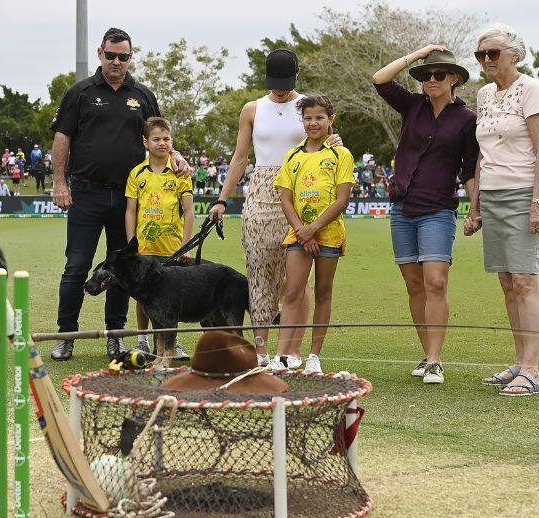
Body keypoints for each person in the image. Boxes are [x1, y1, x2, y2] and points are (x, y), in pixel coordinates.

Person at [49, 27, 191, 361]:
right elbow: (62, 137)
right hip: (86, 193)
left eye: (123, 56)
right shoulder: (80, 91)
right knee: (77, 266)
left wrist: (177, 154)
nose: (116, 61)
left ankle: (116, 336)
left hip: (129, 200)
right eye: (110, 55)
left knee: (123, 269)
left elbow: (159, 135)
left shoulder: (141, 94)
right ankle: (65, 335)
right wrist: (59, 181)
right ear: (100, 53)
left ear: (131, 57)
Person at [207, 49, 342, 366]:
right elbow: (241, 158)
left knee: (297, 278)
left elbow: (329, 143)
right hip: (262, 192)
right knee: (259, 275)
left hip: (303, 192)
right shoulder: (252, 109)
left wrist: (336, 142)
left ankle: (291, 351)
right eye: (275, 83)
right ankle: (261, 350)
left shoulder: (309, 107)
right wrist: (222, 198)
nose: (280, 90)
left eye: (285, 83)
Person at [373, 45, 479, 384]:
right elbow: (379, 79)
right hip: (403, 207)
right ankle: (426, 353)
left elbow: (469, 170)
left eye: (439, 74)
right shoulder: (412, 106)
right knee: (413, 284)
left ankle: (435, 360)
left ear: (454, 80)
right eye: (426, 75)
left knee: (436, 280)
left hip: (438, 208)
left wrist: (475, 209)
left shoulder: (467, 120)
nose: (431, 80)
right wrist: (423, 53)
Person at [464, 23, 539, 397]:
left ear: (514, 55)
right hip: (494, 195)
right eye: (480, 54)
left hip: (523, 194)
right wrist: (476, 205)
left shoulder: (531, 88)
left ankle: (532, 370)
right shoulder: (484, 94)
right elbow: (485, 153)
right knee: (506, 282)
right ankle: (519, 362)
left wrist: (537, 201)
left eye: (493, 53)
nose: (486, 60)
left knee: (525, 280)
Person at [270, 95, 355, 373]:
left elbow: (342, 200)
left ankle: (314, 356)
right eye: (308, 118)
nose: (313, 123)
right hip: (299, 235)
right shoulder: (293, 155)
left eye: (319, 117)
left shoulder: (340, 154)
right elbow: (285, 197)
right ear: (302, 121)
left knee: (323, 293)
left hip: (328, 235)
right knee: (292, 291)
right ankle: (282, 355)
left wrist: (314, 229)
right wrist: (301, 231)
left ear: (331, 120)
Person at [124, 117, 195, 358]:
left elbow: (189, 211)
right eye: (156, 139)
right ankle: (143, 340)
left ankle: (171, 344)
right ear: (145, 142)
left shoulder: (180, 173)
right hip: (144, 247)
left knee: (171, 298)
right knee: (143, 296)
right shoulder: (137, 173)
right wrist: (130, 245)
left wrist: (186, 246)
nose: (162, 143)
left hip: (172, 249)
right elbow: (130, 211)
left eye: (166, 139)